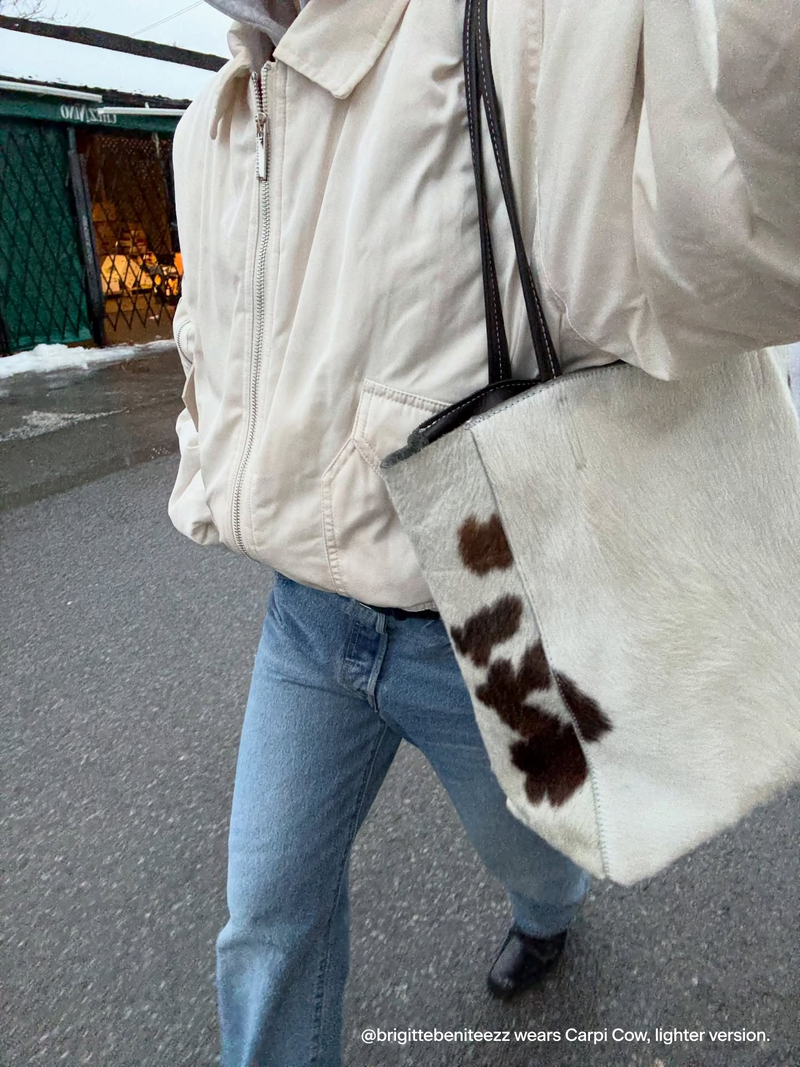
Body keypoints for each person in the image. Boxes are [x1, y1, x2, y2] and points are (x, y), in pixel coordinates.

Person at [167, 2, 800, 1065]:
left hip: (483, 617)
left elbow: (746, 236)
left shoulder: (519, 26)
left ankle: (550, 909)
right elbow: (224, 345)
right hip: (305, 629)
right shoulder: (216, 120)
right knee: (264, 915)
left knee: (535, 848)